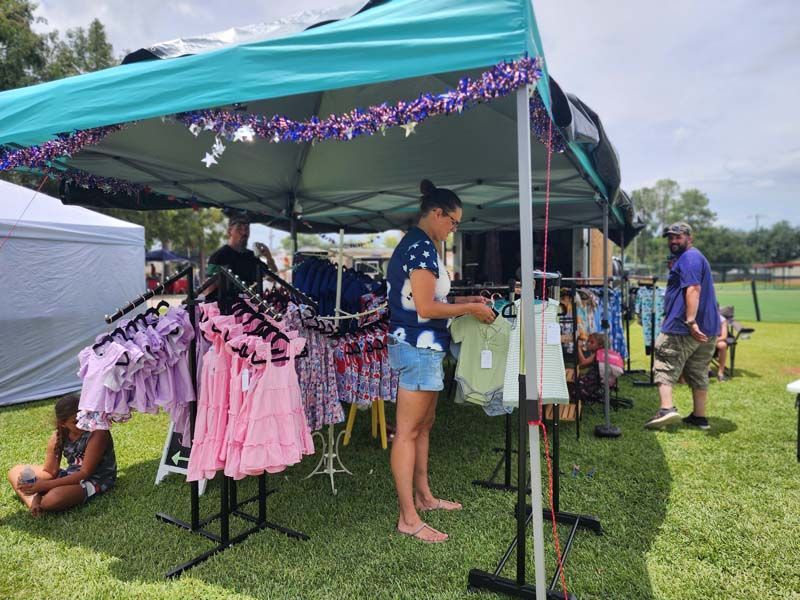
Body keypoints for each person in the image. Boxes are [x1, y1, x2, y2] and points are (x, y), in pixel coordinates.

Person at [387, 178, 495, 543]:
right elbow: (426, 307)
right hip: (417, 346)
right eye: (453, 222)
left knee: (423, 426)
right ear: (437, 213)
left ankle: (424, 497)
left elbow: (434, 300)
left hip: (425, 347)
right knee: (407, 432)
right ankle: (408, 518)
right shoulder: (420, 247)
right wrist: (471, 309)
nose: (454, 229)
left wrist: (467, 301)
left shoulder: (423, 246)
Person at [645, 222, 719, 430]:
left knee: (664, 361)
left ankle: (666, 408)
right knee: (698, 370)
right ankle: (699, 417)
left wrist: (691, 321)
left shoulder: (689, 258)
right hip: (708, 327)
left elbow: (693, 289)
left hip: (683, 326)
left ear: (689, 238)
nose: (673, 241)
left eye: (678, 237)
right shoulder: (694, 257)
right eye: (670, 237)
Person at [7, 394, 117, 517]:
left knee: (52, 499)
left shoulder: (98, 433)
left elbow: (84, 473)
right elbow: (50, 472)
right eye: (76, 422)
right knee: (15, 472)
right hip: (71, 475)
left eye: (85, 417)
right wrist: (35, 487)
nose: (83, 424)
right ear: (63, 423)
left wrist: (44, 486)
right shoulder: (58, 436)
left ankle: (42, 503)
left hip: (94, 480)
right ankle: (34, 506)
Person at [204, 214, 276, 300]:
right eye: (239, 228)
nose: (244, 233)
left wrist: (269, 257)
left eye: (247, 229)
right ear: (229, 231)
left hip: (253, 306)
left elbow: (272, 278)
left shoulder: (252, 257)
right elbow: (209, 290)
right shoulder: (219, 256)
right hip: (228, 306)